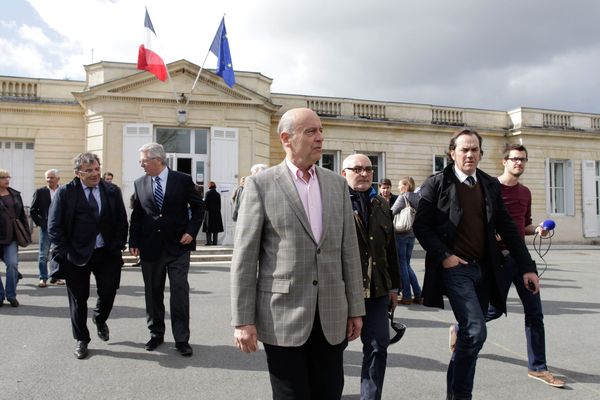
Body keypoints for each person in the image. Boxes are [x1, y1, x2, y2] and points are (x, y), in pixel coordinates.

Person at [231, 108, 365, 399]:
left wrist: (356, 307)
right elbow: (245, 258)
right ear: (286, 139)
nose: (320, 138)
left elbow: (349, 252)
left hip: (331, 314)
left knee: (329, 393)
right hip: (282, 316)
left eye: (320, 130)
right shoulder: (261, 185)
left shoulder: (337, 185)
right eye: (310, 132)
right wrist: (243, 320)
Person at [413, 128, 540, 400]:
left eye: (474, 150)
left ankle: (456, 394)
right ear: (452, 153)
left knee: (471, 338)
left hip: (484, 269)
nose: (469, 154)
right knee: (475, 330)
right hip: (455, 270)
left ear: (481, 153)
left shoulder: (488, 184)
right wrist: (445, 256)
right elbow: (421, 226)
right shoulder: (436, 183)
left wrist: (528, 267)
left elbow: (508, 227)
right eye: (464, 149)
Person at [487, 144, 564, 387]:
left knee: (535, 313)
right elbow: (478, 222)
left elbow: (524, 225)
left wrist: (538, 230)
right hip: (497, 259)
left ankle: (538, 367)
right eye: (514, 159)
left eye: (523, 160)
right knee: (493, 310)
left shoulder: (526, 192)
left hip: (522, 258)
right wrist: (492, 234)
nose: (519, 163)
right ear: (504, 161)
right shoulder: (490, 188)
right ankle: (460, 328)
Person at [47, 153, 128, 359]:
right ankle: (81, 339)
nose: (95, 174)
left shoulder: (111, 190)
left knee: (109, 292)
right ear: (78, 173)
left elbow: (121, 221)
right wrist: (65, 252)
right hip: (76, 255)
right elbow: (54, 226)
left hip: (107, 253)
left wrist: (118, 244)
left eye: (97, 169)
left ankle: (100, 319)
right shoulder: (66, 192)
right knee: (78, 299)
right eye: (89, 170)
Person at [129, 142, 205, 357]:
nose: (141, 165)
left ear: (157, 160)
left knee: (179, 293)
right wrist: (133, 241)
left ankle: (182, 339)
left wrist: (191, 231)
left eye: (143, 161)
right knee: (153, 293)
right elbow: (137, 215)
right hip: (150, 248)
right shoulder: (139, 183)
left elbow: (199, 208)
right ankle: (156, 334)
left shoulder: (182, 180)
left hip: (178, 247)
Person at [342, 154, 400, 400]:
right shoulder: (334, 202)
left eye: (368, 169)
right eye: (357, 169)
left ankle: (370, 397)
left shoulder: (382, 204)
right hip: (342, 291)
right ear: (344, 173)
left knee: (378, 348)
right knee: (334, 350)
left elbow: (390, 250)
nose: (364, 173)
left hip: (376, 290)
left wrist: (394, 287)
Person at [0, 169, 30, 307]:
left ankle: (11, 295)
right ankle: (0, 295)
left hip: (11, 236)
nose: (7, 180)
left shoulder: (15, 194)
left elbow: (22, 215)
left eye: (8, 177)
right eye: (3, 177)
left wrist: (26, 233)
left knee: (12, 264)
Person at [391, 176, 422, 305]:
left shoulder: (403, 197)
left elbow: (390, 212)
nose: (398, 187)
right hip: (412, 234)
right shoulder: (418, 197)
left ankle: (407, 296)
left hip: (400, 233)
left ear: (405, 186)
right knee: (407, 264)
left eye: (399, 185)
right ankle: (418, 294)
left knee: (402, 265)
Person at [30, 169, 64, 287]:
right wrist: (40, 223)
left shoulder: (63, 191)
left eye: (52, 177)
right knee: (43, 254)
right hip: (46, 229)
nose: (49, 180)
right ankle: (43, 278)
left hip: (60, 229)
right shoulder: (40, 192)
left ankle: (55, 277)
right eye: (48, 178)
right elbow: (33, 210)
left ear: (58, 179)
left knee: (58, 253)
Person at [202, 181, 224, 245]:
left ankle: (208, 242)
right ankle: (215, 242)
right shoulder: (218, 194)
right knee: (215, 229)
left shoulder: (207, 193)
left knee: (208, 229)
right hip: (217, 213)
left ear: (209, 186)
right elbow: (219, 205)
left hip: (209, 213)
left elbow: (205, 203)